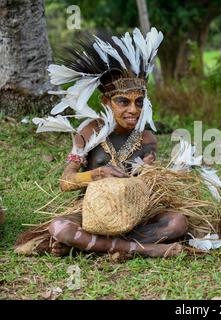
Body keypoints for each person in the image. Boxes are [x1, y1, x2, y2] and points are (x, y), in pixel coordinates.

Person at [15, 28, 187, 258]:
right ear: (106, 101)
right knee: (59, 227)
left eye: (139, 102)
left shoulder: (146, 139)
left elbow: (150, 186)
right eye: (123, 101)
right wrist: (96, 175)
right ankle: (145, 249)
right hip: (92, 212)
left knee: (177, 222)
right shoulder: (89, 131)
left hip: (133, 213)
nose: (133, 110)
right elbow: (66, 181)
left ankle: (91, 246)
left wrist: (150, 173)